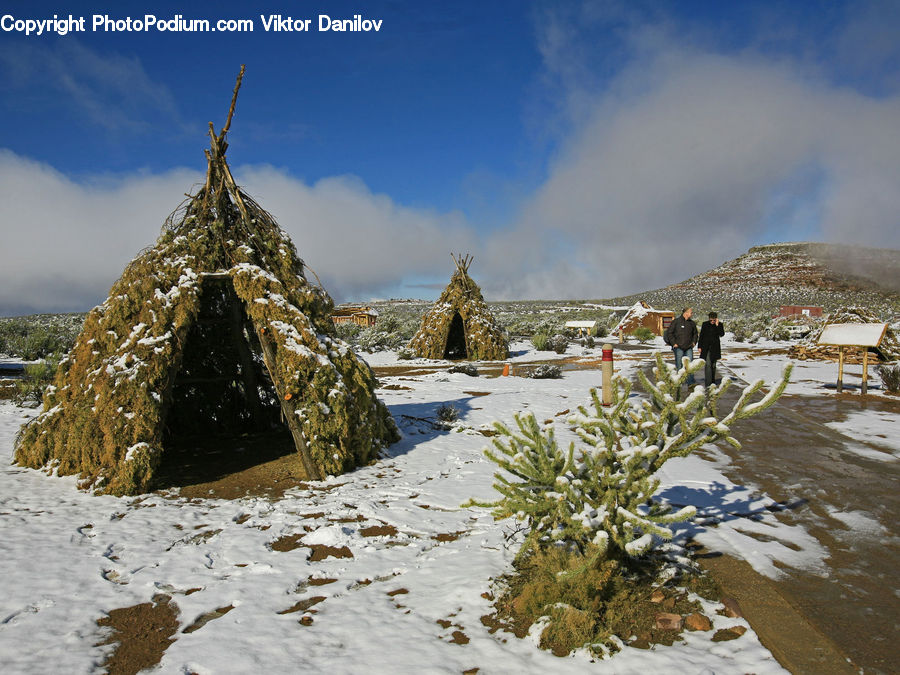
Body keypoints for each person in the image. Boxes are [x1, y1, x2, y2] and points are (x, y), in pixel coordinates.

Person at [664, 307, 699, 385]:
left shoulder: (692, 323)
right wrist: (674, 343)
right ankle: (679, 382)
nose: (692, 314)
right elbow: (670, 333)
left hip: (689, 347)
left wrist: (694, 342)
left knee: (690, 365)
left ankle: (690, 382)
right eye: (691, 312)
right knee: (679, 364)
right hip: (678, 347)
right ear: (686, 313)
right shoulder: (676, 322)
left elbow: (695, 334)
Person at [698, 311, 725, 388]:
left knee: (713, 365)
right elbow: (701, 336)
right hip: (706, 347)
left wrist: (717, 325)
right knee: (708, 364)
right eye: (711, 320)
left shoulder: (719, 325)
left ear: (716, 319)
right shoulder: (705, 324)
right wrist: (699, 346)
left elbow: (721, 334)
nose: (712, 322)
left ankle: (712, 381)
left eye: (713, 320)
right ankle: (708, 384)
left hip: (715, 348)